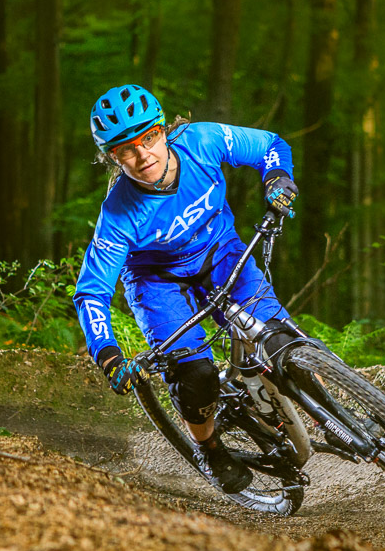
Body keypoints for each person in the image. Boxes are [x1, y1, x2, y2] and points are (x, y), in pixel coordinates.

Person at [73, 84, 300, 494]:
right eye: (126, 150)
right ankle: (209, 449)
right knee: (196, 373)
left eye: (149, 138)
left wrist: (278, 178)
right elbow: (92, 293)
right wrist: (107, 354)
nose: (144, 156)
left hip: (221, 253)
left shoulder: (203, 141)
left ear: (163, 130)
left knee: (283, 341)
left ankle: (323, 412)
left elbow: (270, 144)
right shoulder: (118, 214)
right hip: (157, 282)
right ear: (111, 157)